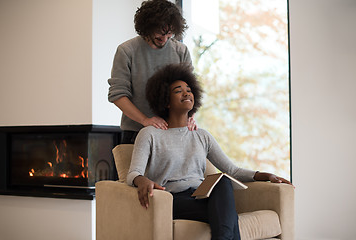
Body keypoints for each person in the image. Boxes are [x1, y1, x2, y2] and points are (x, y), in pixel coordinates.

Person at [127, 63, 293, 240]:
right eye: (178, 90)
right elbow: (133, 173)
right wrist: (142, 180)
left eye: (189, 90)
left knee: (223, 183)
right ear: (166, 101)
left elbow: (232, 171)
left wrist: (266, 175)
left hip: (201, 197)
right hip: (172, 199)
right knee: (227, 215)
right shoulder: (150, 134)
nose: (186, 93)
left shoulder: (202, 136)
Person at [108, 0, 195, 144]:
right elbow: (118, 94)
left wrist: (190, 117)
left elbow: (191, 91)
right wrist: (145, 120)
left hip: (174, 132)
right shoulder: (127, 51)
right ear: (147, 27)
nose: (164, 40)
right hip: (135, 133)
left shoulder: (181, 50)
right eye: (160, 36)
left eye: (169, 36)